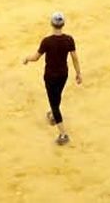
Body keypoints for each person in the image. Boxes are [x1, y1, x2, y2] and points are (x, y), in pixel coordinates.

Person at [21, 12, 81, 145]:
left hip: (50, 76)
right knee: (57, 96)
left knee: (54, 104)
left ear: (51, 24)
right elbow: (75, 58)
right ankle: (54, 114)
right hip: (63, 75)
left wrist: (26, 59)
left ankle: (63, 134)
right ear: (63, 24)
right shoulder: (69, 40)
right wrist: (78, 73)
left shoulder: (47, 41)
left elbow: (36, 57)